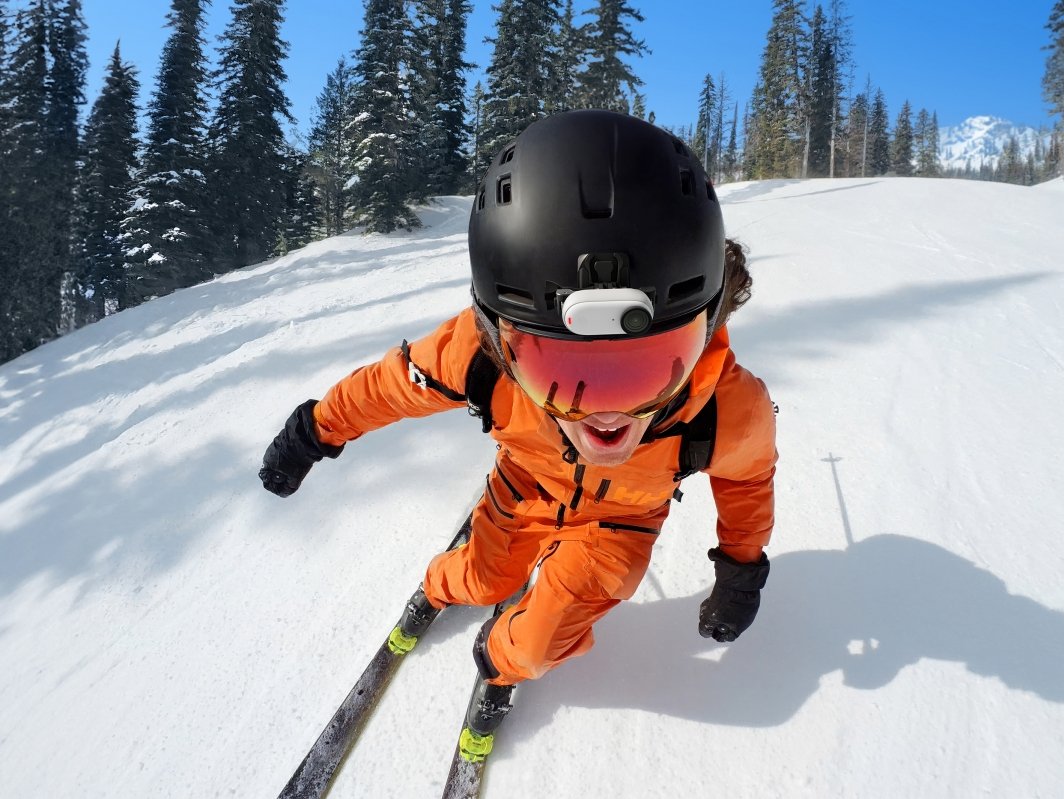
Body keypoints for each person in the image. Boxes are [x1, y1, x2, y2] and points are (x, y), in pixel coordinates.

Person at [259, 110, 776, 740]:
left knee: (533, 646)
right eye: (557, 368)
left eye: (648, 366)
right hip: (523, 489)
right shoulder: (480, 357)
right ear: (500, 343)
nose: (605, 413)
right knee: (484, 580)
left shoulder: (726, 405)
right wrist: (316, 429)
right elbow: (391, 387)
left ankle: (501, 660)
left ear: (707, 328)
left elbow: (747, 482)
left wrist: (741, 570)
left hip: (620, 525)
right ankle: (440, 585)